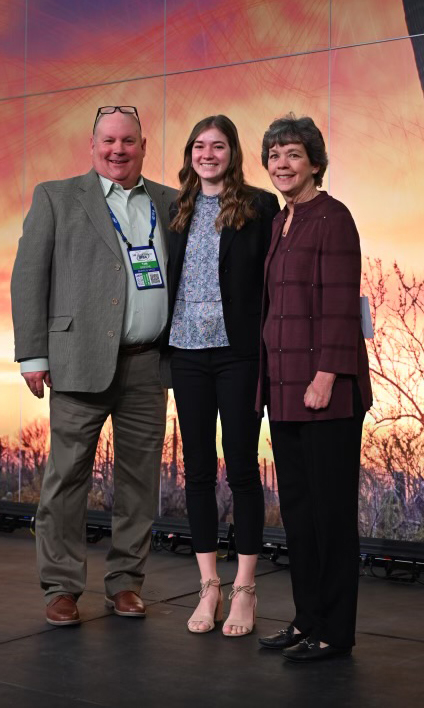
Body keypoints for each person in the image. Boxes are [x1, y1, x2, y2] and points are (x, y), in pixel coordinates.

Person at [11, 105, 177, 626]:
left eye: (128, 141)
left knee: (139, 484)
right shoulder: (56, 197)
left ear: (143, 146)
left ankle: (126, 583)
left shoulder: (170, 203)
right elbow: (28, 278)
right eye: (108, 141)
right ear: (92, 144)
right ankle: (61, 587)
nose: (117, 150)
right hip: (77, 360)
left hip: (149, 365)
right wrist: (33, 354)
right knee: (66, 478)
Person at [256, 113, 373, 661]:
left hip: (326, 394)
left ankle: (334, 632)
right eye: (275, 154)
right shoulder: (283, 224)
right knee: (299, 515)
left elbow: (339, 306)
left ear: (315, 163)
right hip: (284, 394)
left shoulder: (333, 218)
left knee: (330, 517)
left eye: (293, 154)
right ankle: (307, 621)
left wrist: (326, 376)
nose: (282, 163)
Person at [162, 115, 280, 636]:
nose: (208, 154)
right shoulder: (177, 209)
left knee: (242, 470)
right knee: (198, 474)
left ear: (233, 152)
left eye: (218, 146)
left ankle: (245, 589)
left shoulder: (259, 206)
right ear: (190, 153)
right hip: (186, 353)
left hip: (237, 354)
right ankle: (208, 585)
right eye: (199, 146)